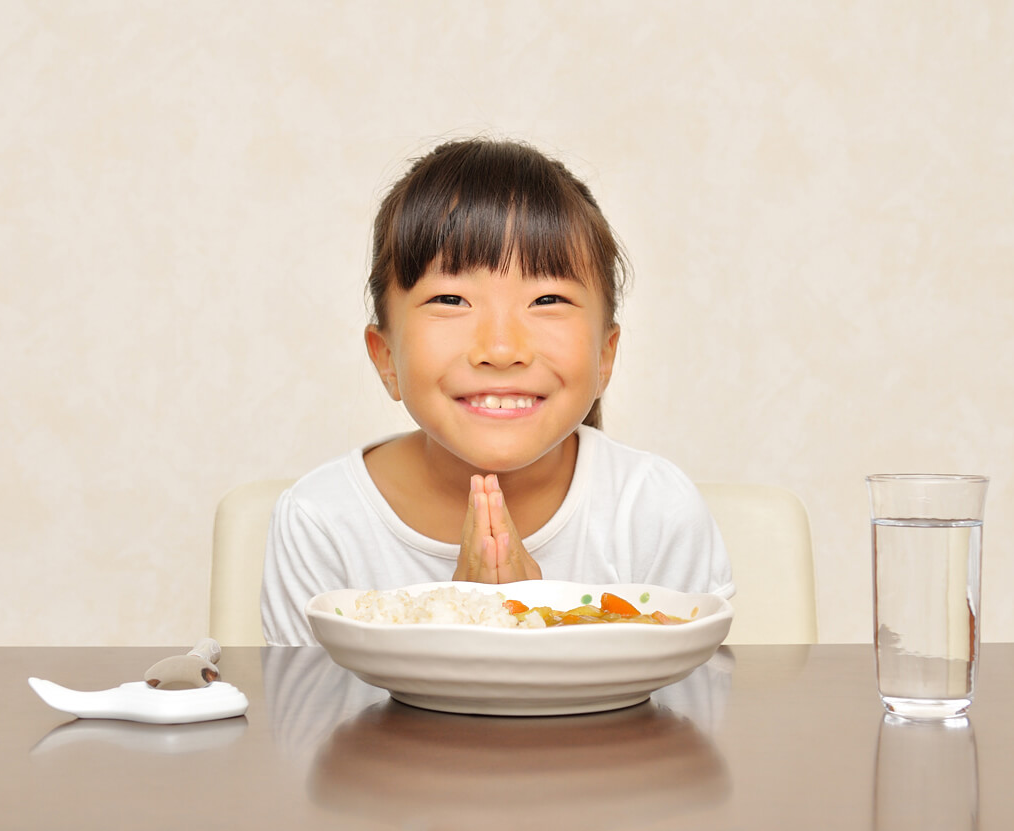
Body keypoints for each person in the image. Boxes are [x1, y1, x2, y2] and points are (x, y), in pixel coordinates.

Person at [261, 138, 732, 645]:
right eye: (451, 299)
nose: (502, 348)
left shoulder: (653, 511)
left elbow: (685, 718)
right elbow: (311, 722)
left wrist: (537, 625)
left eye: (547, 298)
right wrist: (459, 624)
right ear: (386, 357)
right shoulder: (324, 523)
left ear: (605, 355)